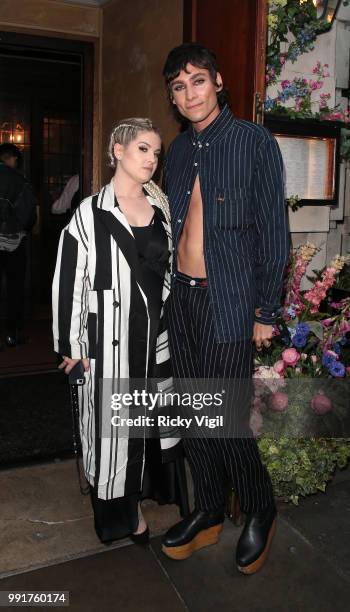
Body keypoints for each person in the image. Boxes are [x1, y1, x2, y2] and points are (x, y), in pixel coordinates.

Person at [161, 43, 290, 573]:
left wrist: (266, 312)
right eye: (177, 86)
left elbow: (273, 235)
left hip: (229, 303)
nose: (188, 93)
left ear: (217, 83)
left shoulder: (254, 142)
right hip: (181, 302)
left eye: (196, 81)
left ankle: (260, 507)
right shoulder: (176, 150)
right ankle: (210, 508)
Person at [52, 118, 188, 544]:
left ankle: (148, 495)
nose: (151, 159)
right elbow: (68, 282)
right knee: (115, 432)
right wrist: (73, 347)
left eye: (156, 152)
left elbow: (169, 270)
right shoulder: (89, 213)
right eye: (143, 149)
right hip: (110, 340)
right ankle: (122, 516)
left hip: (156, 336)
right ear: (117, 150)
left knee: (150, 424)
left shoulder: (160, 205)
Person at [0, 143, 37, 347]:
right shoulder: (19, 180)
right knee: (15, 290)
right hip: (13, 243)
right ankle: (11, 334)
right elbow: (29, 215)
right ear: (12, 158)